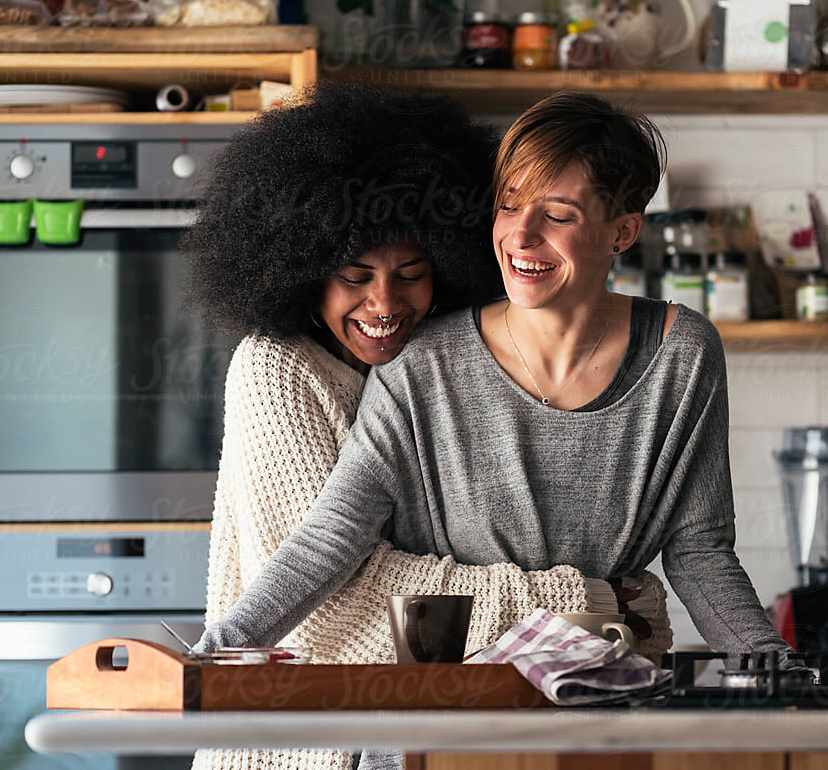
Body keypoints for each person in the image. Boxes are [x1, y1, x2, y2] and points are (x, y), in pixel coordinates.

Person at [193, 88, 789, 668]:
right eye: (507, 204)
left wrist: (774, 669)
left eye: (557, 215)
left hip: (607, 698)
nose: (521, 236)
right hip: (446, 711)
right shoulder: (421, 358)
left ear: (623, 232)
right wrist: (212, 650)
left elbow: (699, 548)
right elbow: (334, 534)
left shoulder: (682, 353)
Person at [181, 82, 671, 770]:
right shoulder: (279, 369)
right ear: (300, 273)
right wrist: (576, 598)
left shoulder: (427, 366)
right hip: (301, 753)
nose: (385, 303)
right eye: (355, 276)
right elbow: (335, 606)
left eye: (411, 274)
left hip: (418, 736)